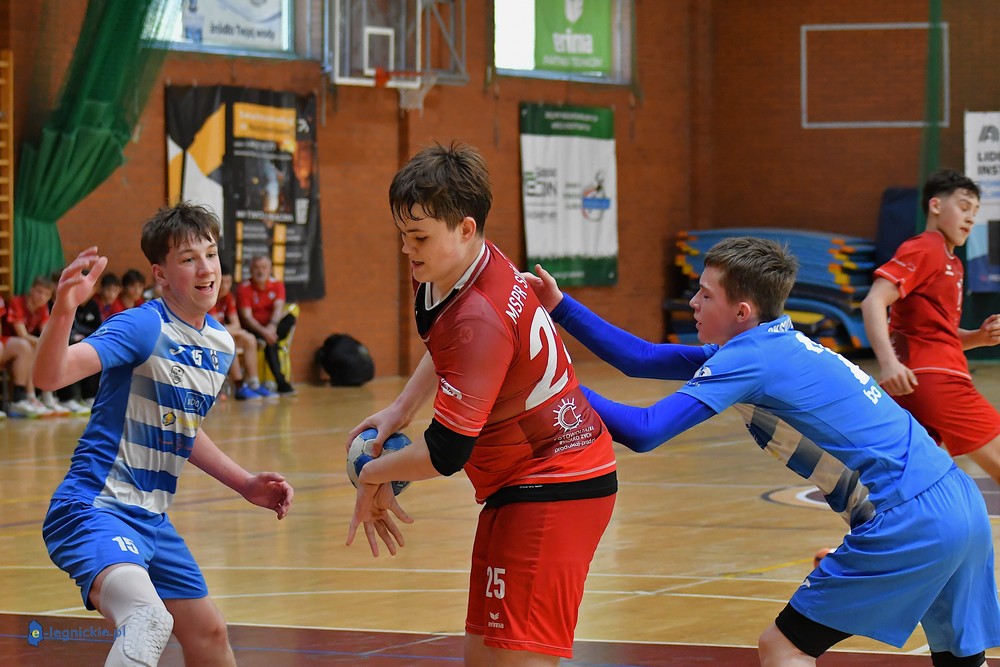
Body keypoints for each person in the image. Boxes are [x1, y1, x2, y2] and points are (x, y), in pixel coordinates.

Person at [523, 236, 1000, 666]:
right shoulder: (774, 343)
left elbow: (645, 431)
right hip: (959, 501)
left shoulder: (751, 358)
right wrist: (560, 306)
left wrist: (553, 382)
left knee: (782, 648)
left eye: (706, 295)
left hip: (910, 518)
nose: (693, 302)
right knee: (959, 660)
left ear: (742, 311)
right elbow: (641, 358)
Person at [345, 143, 618, 666]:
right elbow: (447, 346)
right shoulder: (455, 267)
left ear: (465, 228)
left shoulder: (478, 316)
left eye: (419, 237)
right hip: (518, 486)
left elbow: (446, 451)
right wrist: (403, 407)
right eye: (402, 234)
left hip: (555, 485)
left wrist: (373, 474)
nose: (407, 249)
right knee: (483, 656)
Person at [36, 202, 294, 667]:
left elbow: (182, 428)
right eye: (189, 259)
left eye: (211, 255)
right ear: (161, 274)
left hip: (151, 518)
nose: (206, 269)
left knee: (209, 634)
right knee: (147, 620)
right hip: (95, 507)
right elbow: (50, 376)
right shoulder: (142, 325)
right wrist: (63, 311)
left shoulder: (220, 344)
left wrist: (245, 483)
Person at [861, 169, 1000, 484]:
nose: (970, 217)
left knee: (912, 482)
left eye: (975, 211)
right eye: (964, 207)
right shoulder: (927, 246)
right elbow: (873, 302)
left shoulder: (952, 262)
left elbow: (935, 334)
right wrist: (888, 363)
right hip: (939, 382)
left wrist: (979, 337)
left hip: (914, 384)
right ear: (935, 205)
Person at [210, 262, 275, 400]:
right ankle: (239, 386)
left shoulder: (228, 297)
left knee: (249, 338)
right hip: (206, 338)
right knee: (230, 340)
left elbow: (236, 324)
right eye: (222, 282)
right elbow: (215, 328)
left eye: (228, 282)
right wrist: (231, 330)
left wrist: (231, 330)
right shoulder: (209, 298)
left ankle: (253, 383)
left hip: (222, 334)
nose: (225, 286)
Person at [236, 254, 296, 395]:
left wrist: (271, 327)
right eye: (256, 268)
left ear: (270, 269)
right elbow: (247, 317)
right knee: (270, 341)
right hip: (254, 328)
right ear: (251, 270)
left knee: (289, 318)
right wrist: (265, 332)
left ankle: (274, 381)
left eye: (264, 267)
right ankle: (280, 382)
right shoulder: (244, 288)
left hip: (272, 326)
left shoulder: (277, 285)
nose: (260, 271)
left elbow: (278, 308)